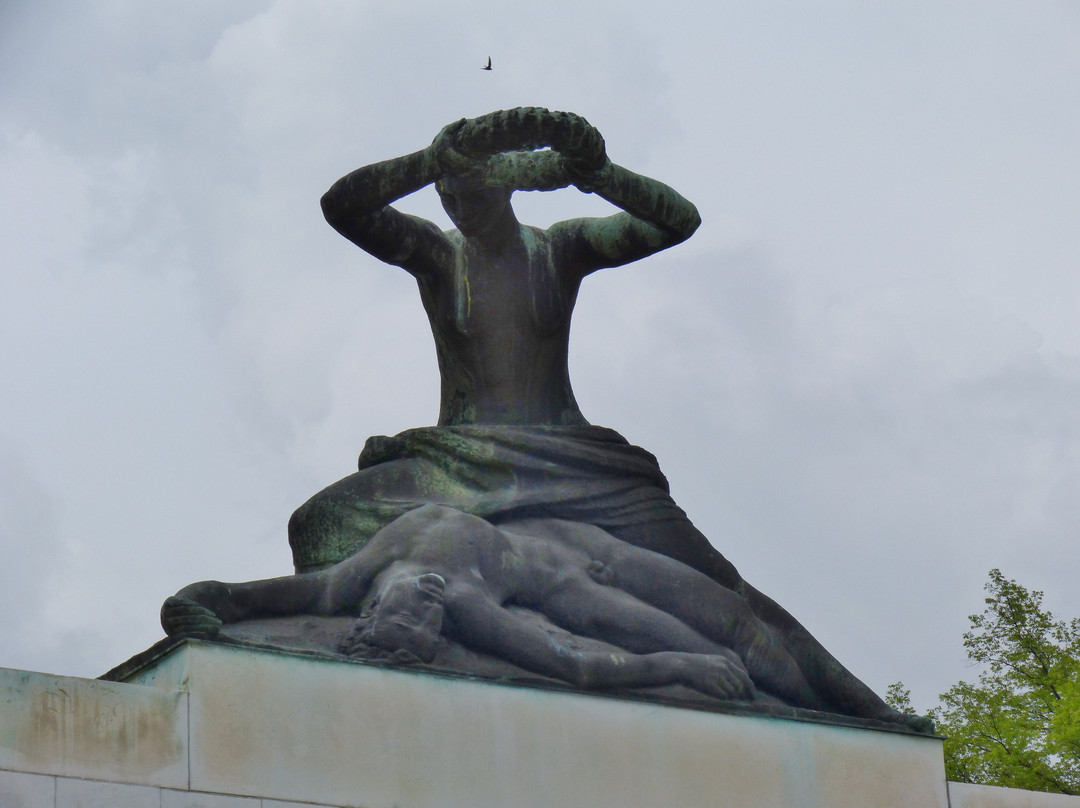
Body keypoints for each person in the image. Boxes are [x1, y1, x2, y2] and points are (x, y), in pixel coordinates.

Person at [279, 108, 928, 730]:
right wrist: (427, 159)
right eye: (445, 191)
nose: (454, 202)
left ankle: (869, 714)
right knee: (318, 528)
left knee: (727, 597)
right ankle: (405, 632)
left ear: (508, 184)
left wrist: (599, 174)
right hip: (457, 461)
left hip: (575, 462)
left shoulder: (560, 249)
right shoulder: (434, 253)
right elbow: (344, 206)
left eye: (468, 187)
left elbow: (676, 220)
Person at [165, 504, 829, 706]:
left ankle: (868, 715)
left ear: (368, 613)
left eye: (408, 612)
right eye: (428, 621)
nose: (423, 601)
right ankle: (833, 715)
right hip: (567, 584)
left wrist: (192, 606)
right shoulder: (466, 601)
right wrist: (679, 665)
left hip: (570, 539)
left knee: (743, 621)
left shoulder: (345, 583)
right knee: (723, 644)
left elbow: (231, 598)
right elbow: (576, 667)